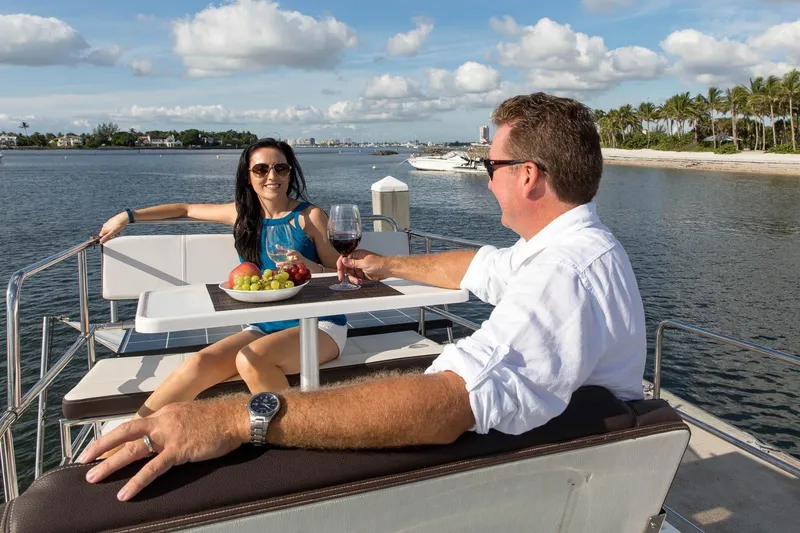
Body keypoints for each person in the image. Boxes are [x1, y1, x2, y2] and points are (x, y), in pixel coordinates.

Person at [80, 92, 646, 502]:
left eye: (488, 166)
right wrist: (390, 263)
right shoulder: (562, 249)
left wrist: (233, 420)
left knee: (246, 398)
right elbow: (481, 266)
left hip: (525, 472)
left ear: (527, 176)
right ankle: (132, 437)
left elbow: (450, 404)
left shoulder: (563, 274)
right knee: (214, 363)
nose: (485, 176)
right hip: (569, 446)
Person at [97, 138, 348, 418]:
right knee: (199, 364)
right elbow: (185, 209)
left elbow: (338, 272)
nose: (271, 176)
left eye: (280, 168)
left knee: (251, 360)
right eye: (261, 169)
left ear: (290, 172)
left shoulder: (310, 216)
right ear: (247, 175)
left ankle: (303, 431)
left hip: (320, 324)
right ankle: (130, 437)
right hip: (265, 326)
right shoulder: (241, 214)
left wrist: (308, 266)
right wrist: (127, 217)